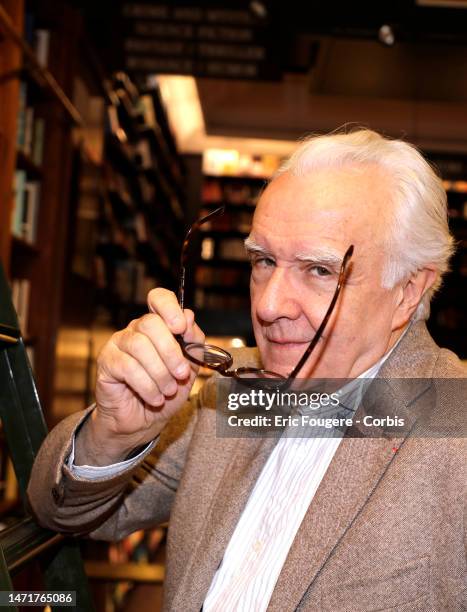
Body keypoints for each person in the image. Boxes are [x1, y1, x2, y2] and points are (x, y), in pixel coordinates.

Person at [27, 128, 465, 611]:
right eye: (263, 261)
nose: (270, 305)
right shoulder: (234, 394)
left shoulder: (454, 422)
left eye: (319, 270)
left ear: (406, 289)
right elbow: (63, 513)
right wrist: (112, 436)